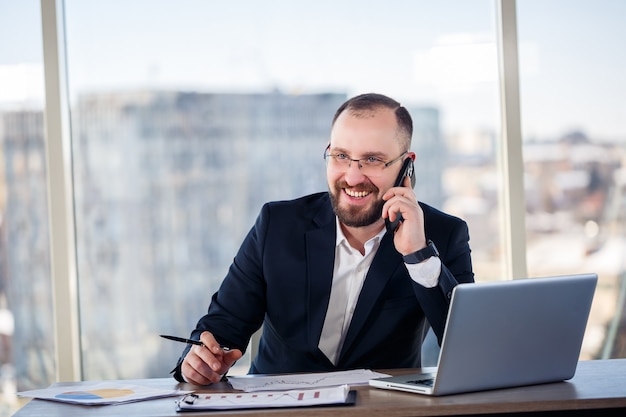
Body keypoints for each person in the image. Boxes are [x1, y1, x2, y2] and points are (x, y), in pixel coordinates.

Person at [173, 93, 474, 385]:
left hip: (379, 411)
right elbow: (223, 326)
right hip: (280, 411)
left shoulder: (442, 235)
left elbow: (470, 349)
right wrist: (199, 361)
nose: (353, 177)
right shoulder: (277, 225)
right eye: (342, 156)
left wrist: (417, 256)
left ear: (407, 164)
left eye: (372, 159)